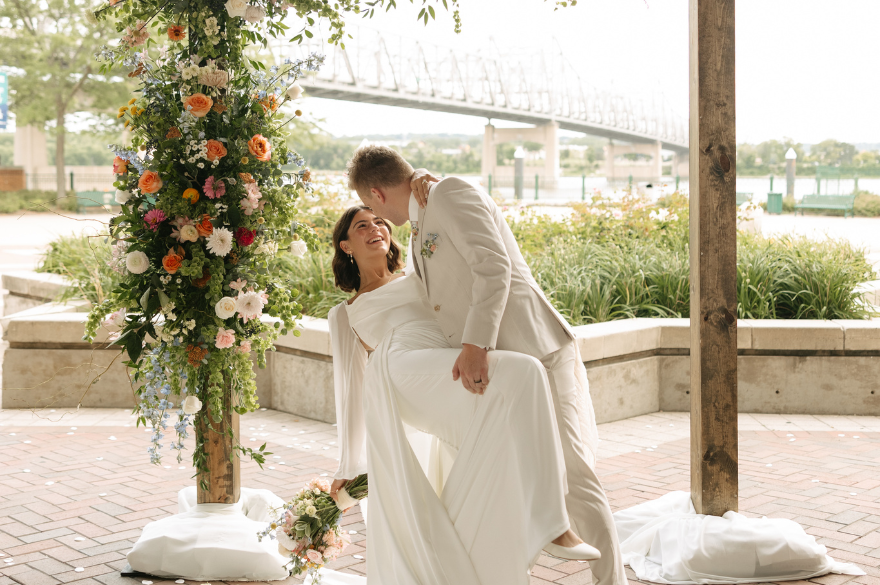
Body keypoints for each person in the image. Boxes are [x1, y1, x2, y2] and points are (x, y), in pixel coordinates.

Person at [344, 145, 627, 585]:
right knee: (512, 475)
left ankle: (610, 581)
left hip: (537, 348)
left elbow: (494, 267)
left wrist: (475, 344)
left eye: (370, 208)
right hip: (499, 372)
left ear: (376, 194)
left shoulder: (451, 192)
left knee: (574, 474)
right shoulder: (420, 226)